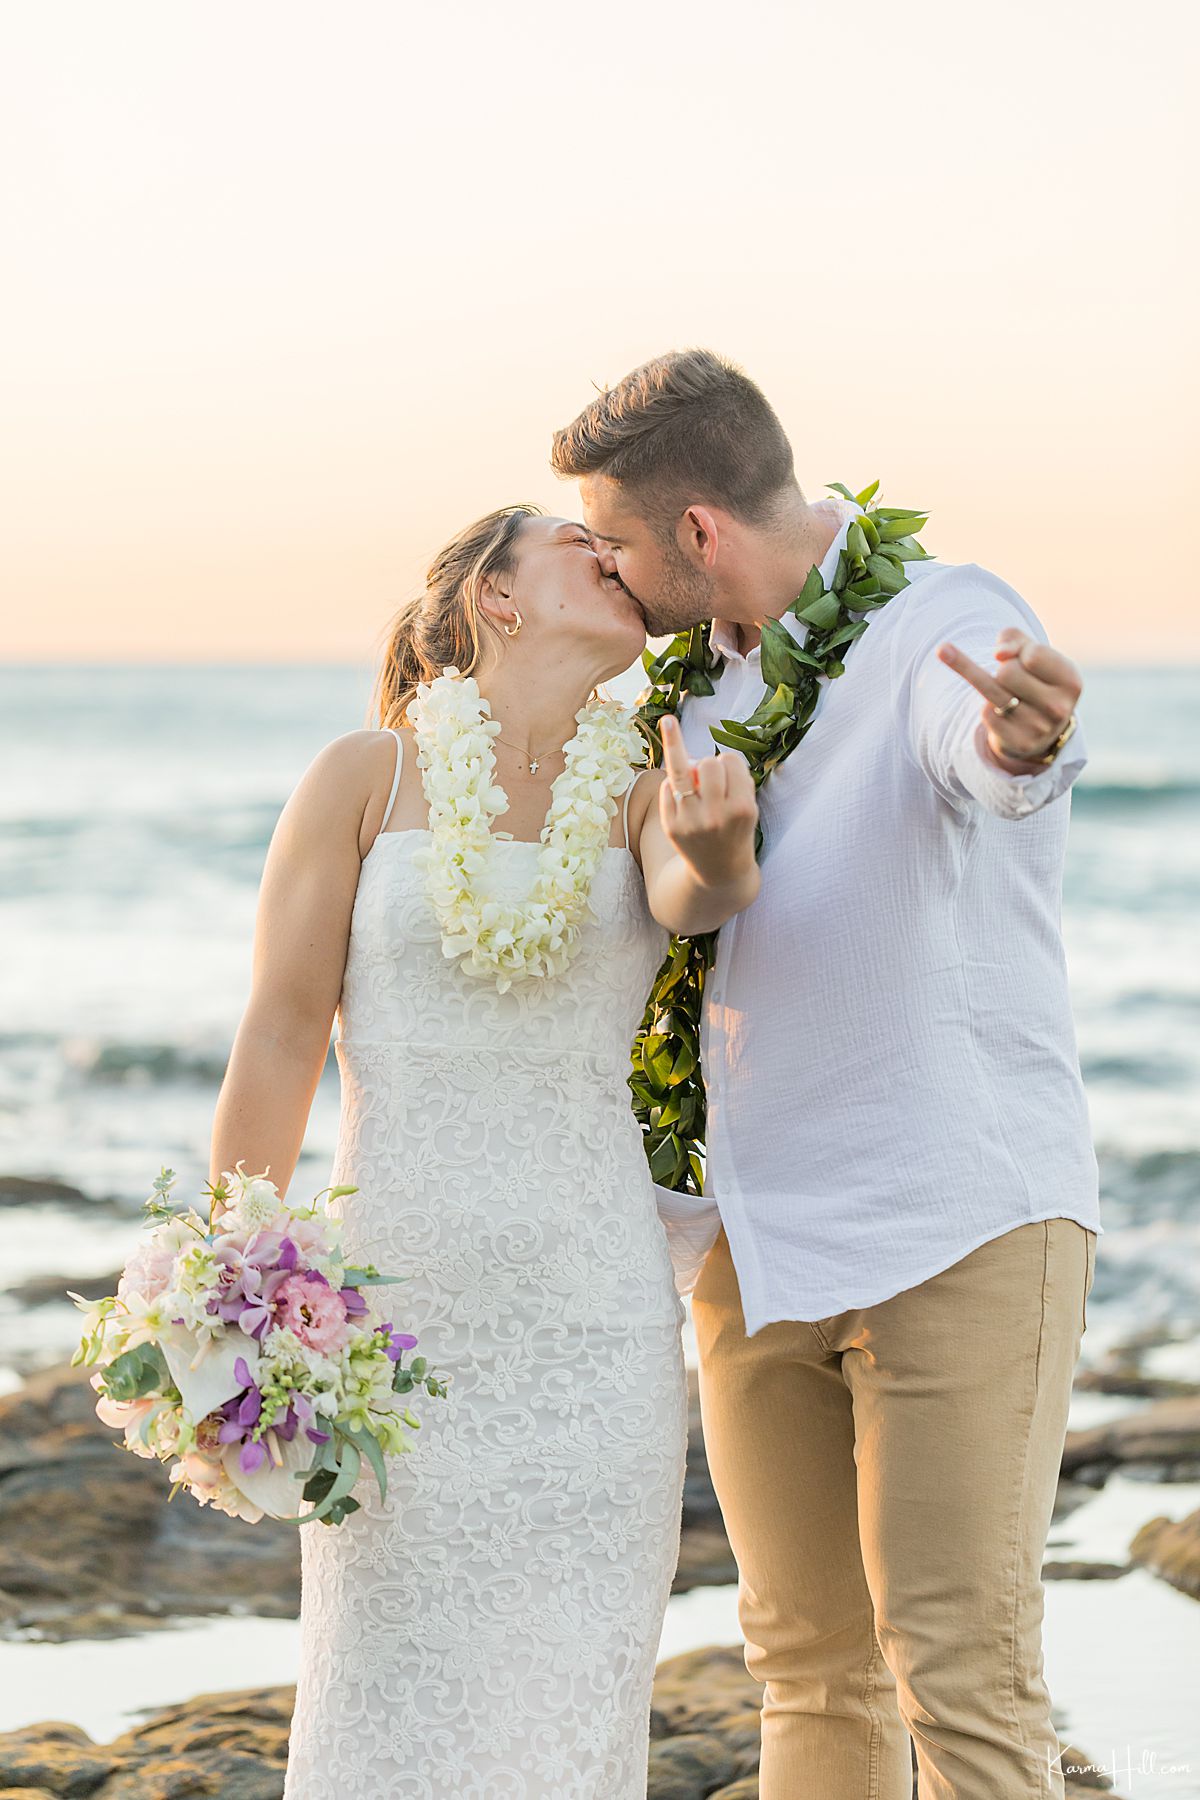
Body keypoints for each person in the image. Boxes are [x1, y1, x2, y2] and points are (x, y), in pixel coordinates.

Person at [552, 349, 1103, 1800]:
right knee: (806, 1662)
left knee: (961, 1663)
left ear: (696, 534)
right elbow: (688, 906)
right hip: (757, 1233)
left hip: (956, 1218)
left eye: (611, 538)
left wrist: (1021, 739)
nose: (600, 565)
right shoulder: (693, 689)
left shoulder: (947, 622)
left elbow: (989, 751)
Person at [208, 502, 759, 1797]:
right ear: (496, 597)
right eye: (583, 545)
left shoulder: (637, 784)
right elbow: (283, 1033)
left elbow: (692, 897)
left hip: (592, 1322)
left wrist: (720, 849)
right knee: (386, 1679)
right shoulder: (367, 775)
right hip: (398, 1304)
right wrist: (235, 1276)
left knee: (575, 1686)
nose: (617, 559)